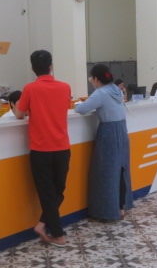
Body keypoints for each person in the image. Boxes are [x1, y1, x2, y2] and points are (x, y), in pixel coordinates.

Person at [13, 50, 71, 247]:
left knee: (48, 193)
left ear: (32, 68)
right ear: (51, 66)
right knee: (58, 190)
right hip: (62, 147)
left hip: (40, 150)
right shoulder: (65, 87)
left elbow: (19, 114)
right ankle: (55, 232)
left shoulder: (30, 88)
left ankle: (46, 227)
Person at [74, 64, 133, 221]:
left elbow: (81, 109)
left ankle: (107, 211)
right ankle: (121, 207)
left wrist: (77, 105)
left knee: (106, 172)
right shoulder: (116, 90)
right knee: (120, 170)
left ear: (95, 78)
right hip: (122, 131)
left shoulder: (100, 93)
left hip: (108, 132)